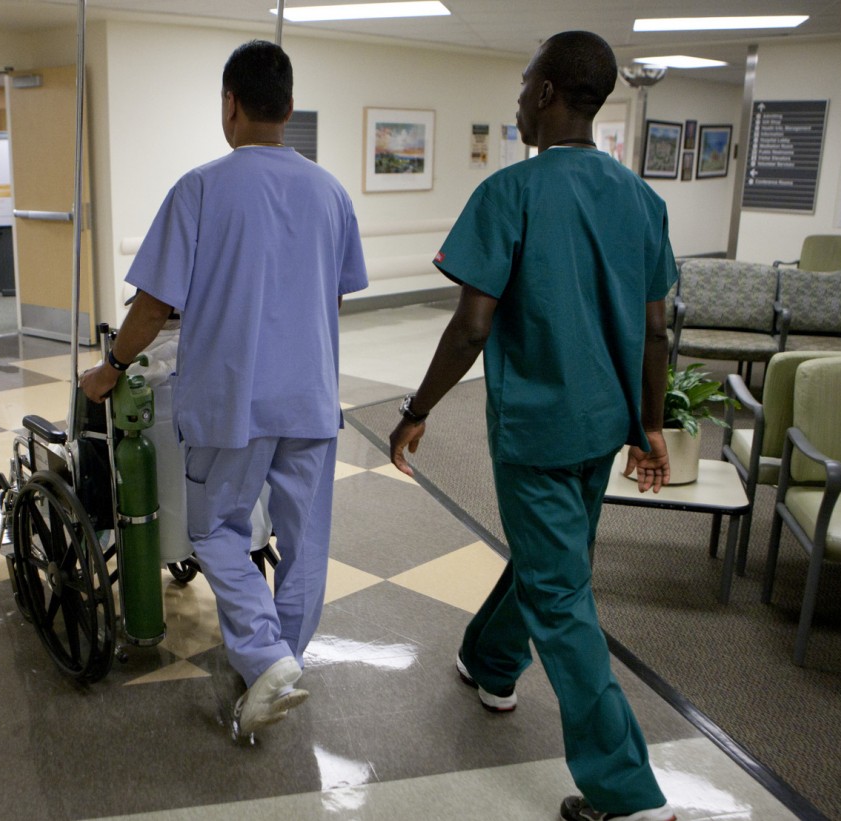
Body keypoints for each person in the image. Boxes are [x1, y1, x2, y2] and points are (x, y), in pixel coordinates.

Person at [386, 31, 677, 821]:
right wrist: (650, 424)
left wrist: (416, 411)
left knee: (562, 594)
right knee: (554, 564)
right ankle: (490, 659)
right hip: (602, 428)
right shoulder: (642, 201)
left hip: (537, 432)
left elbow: (472, 327)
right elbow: (656, 331)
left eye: (523, 85)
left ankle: (628, 795)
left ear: (547, 94)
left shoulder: (509, 194)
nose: (516, 99)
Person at [80, 40, 367, 739]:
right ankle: (283, 665)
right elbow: (331, 295)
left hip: (231, 404)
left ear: (229, 104)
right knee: (303, 542)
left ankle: (267, 660)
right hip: (310, 399)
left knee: (216, 531)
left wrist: (111, 366)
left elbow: (152, 308)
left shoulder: (201, 187)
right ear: (290, 109)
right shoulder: (331, 191)